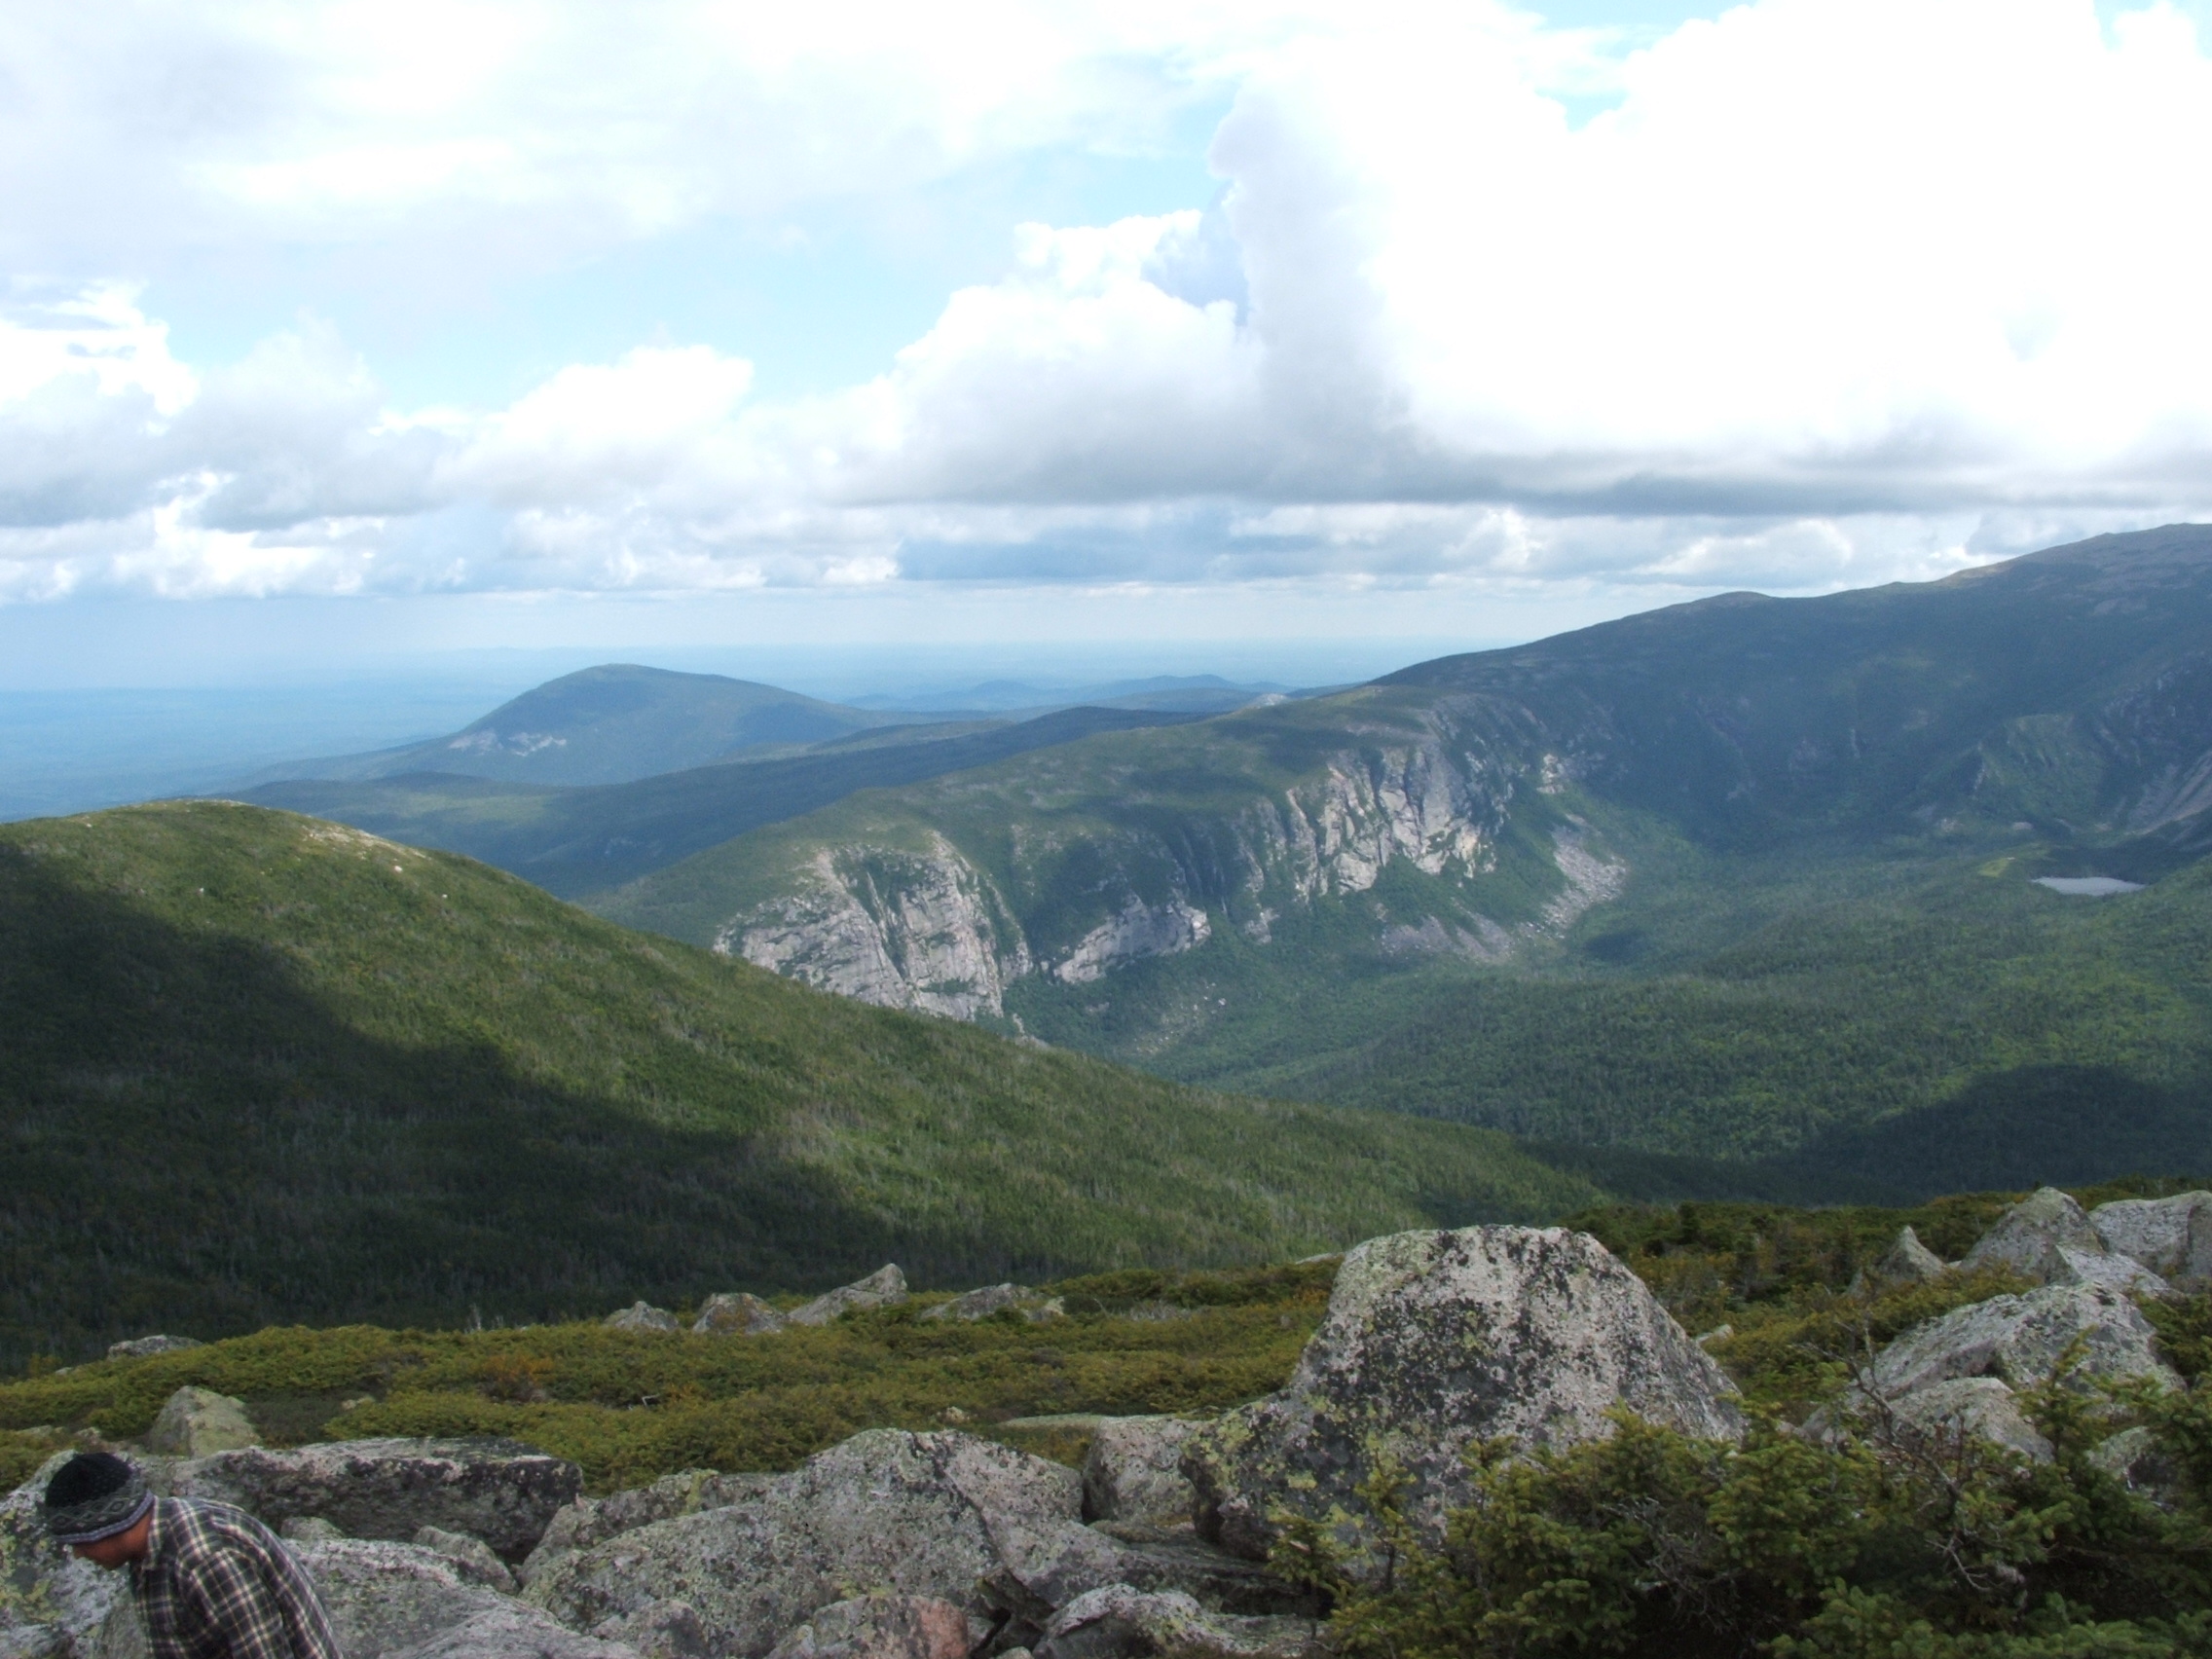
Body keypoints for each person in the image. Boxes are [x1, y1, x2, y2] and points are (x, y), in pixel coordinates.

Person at [43, 1451, 344, 1659]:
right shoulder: (149, 1549)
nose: (78, 1553)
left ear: (112, 1524)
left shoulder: (206, 1557)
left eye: (81, 1541)